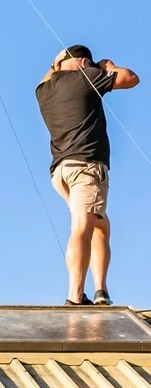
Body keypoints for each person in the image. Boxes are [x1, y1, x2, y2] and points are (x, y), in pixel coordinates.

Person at [35, 45, 139, 306]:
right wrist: (107, 66)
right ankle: (74, 296)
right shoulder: (86, 77)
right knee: (82, 227)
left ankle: (101, 290)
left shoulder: (43, 90)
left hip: (61, 172)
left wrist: (56, 62)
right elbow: (131, 78)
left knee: (100, 226)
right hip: (86, 167)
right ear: (82, 62)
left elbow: (49, 74)